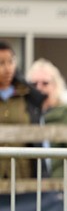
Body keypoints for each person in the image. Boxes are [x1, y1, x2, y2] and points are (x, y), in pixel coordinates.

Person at [27, 59, 67, 178]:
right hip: (31, 187)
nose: (39, 88)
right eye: (34, 84)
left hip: (60, 185)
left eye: (45, 83)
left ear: (55, 85)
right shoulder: (25, 114)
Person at [0, 41, 47, 179]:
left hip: (22, 174)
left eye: (11, 62)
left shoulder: (28, 96)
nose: (7, 68)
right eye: (1, 63)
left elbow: (39, 140)